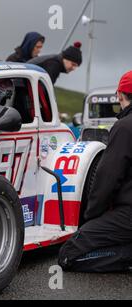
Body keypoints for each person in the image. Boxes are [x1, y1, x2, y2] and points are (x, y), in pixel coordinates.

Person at [58, 71, 132, 273]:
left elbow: (107, 178)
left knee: (68, 255)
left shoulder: (124, 126)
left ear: (119, 95)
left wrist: (91, 216)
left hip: (127, 215)